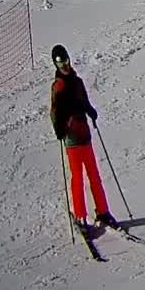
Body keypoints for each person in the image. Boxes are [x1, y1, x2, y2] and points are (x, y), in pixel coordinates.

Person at [50, 45, 118, 232]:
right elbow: (55, 110)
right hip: (71, 138)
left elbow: (84, 101)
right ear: (55, 64)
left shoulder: (77, 82)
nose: (63, 65)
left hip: (84, 135)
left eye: (65, 61)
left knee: (94, 175)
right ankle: (81, 216)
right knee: (78, 178)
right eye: (59, 62)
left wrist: (90, 111)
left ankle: (103, 211)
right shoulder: (58, 86)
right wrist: (58, 128)